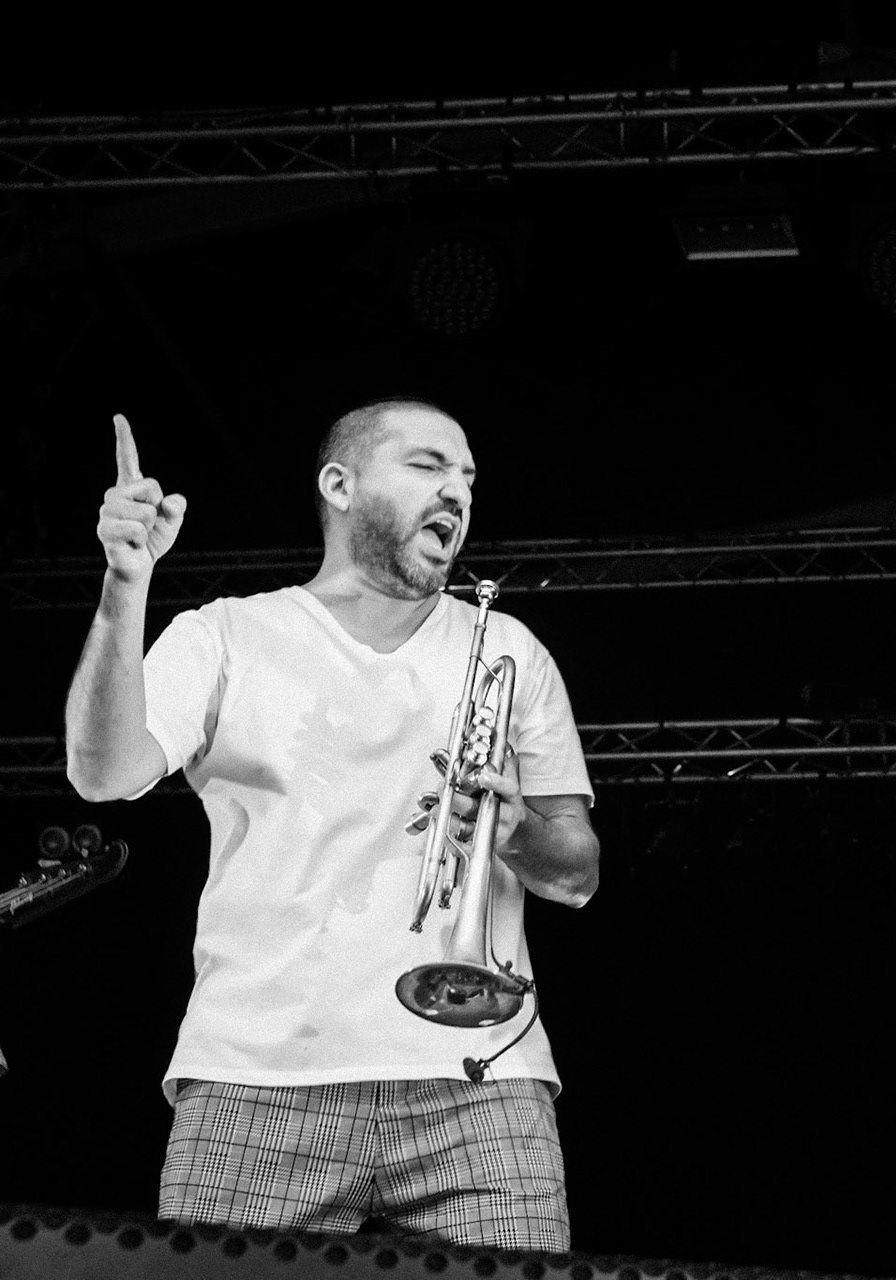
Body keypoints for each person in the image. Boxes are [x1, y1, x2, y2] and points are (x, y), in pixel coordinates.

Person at [65, 400, 600, 1251]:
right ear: (340, 484)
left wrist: (517, 829)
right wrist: (124, 587)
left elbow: (576, 874)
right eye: (429, 465)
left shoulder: (511, 649)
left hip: (481, 1083)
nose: (458, 491)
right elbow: (102, 773)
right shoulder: (228, 633)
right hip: (254, 1079)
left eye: (468, 477)